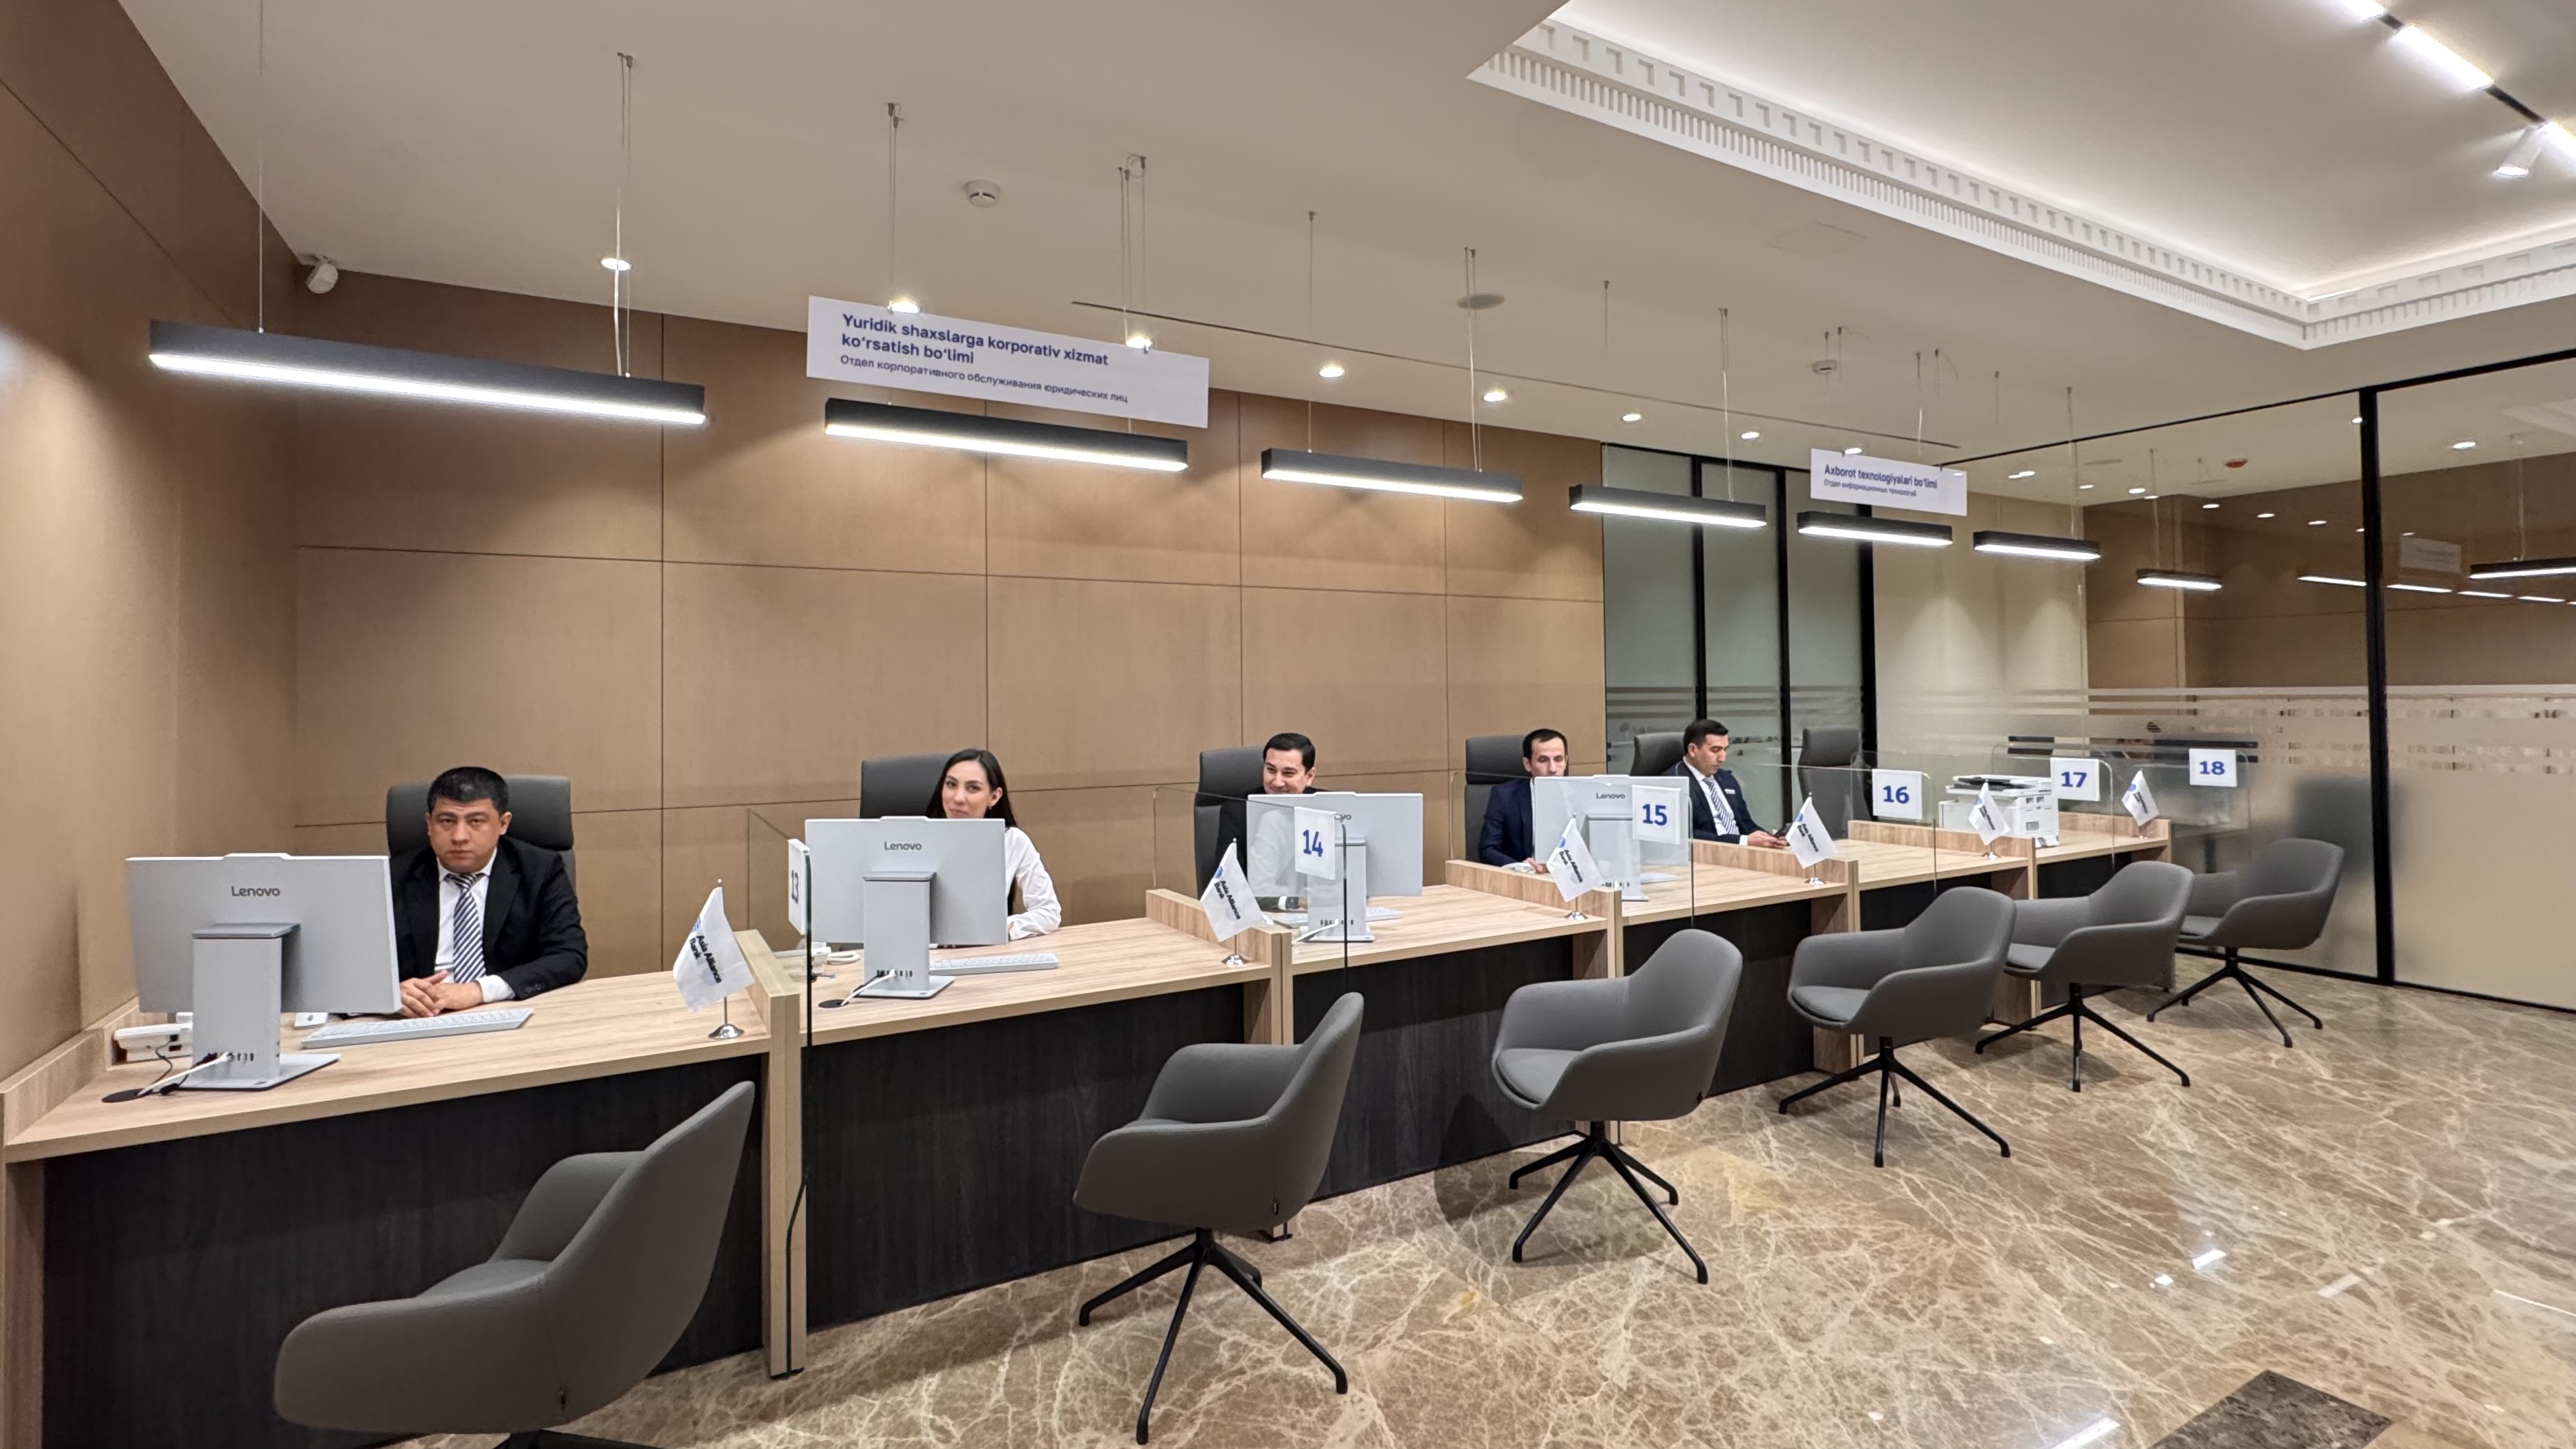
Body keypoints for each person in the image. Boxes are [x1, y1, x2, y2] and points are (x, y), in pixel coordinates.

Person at [392, 766, 587, 1017]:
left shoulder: (539, 870)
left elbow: (569, 956)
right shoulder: (391, 878)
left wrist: (479, 990)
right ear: (429, 824)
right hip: (418, 1017)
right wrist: (390, 993)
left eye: (476, 821)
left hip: (507, 1011)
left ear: (503, 824)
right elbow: (353, 966)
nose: (459, 836)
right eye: (447, 821)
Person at [926, 747, 1060, 939]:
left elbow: (1049, 912)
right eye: (951, 784)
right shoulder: (916, 841)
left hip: (987, 950)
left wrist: (1004, 928)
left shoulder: (1012, 841)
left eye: (973, 788)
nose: (958, 798)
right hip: (925, 952)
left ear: (994, 797)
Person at [1664, 719, 1787, 848]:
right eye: (1715, 750)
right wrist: (1741, 841)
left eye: (1725, 750)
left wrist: (1769, 837)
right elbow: (1684, 834)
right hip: (1705, 854)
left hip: (1742, 852)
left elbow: (1745, 824)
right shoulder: (1672, 784)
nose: (1723, 758)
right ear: (1693, 750)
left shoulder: (1727, 779)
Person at [1233, 731, 1321, 895]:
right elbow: (1230, 878)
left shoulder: (1327, 806)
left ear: (1309, 776)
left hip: (1322, 904)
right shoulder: (1238, 809)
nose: (1277, 782)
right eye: (1271, 770)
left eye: (1288, 773)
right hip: (1259, 905)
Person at [1478, 727, 1569, 868]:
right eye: (1543, 760)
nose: (1552, 769)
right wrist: (1521, 867)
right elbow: (1488, 850)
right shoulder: (1504, 796)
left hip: (1567, 875)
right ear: (1528, 764)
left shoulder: (1579, 796)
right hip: (1523, 876)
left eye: (1558, 759)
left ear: (1566, 761)